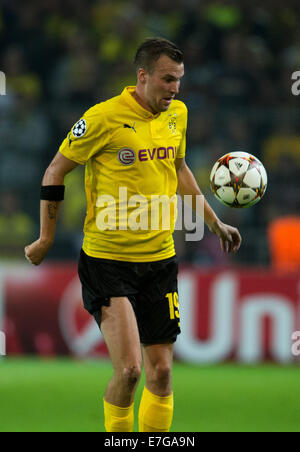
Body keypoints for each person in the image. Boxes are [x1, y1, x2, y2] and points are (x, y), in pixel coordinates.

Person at [25, 38, 242, 432]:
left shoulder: (177, 115)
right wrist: (45, 238)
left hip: (159, 260)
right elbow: (55, 171)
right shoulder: (102, 118)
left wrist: (214, 222)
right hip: (108, 261)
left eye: (178, 80)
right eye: (166, 79)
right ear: (142, 76)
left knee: (161, 374)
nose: (174, 88)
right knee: (129, 372)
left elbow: (179, 169)